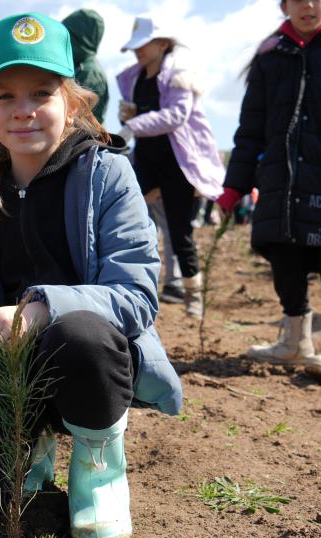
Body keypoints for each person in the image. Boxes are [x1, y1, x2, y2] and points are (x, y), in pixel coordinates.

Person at [0, 13, 181, 538]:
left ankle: (97, 464)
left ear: (72, 102)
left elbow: (135, 298)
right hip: (10, 373)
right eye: (6, 95)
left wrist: (38, 310)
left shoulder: (107, 175)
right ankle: (30, 442)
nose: (24, 110)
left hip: (89, 365)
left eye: (41, 92)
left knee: (78, 333)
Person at [216, 0, 321, 382]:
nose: (307, 5)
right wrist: (234, 187)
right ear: (284, 6)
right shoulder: (270, 59)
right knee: (285, 260)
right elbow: (250, 130)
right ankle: (295, 342)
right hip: (283, 184)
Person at [116, 16, 226, 317]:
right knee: (127, 218)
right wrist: (129, 116)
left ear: (162, 44)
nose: (138, 51)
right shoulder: (132, 78)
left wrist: (134, 124)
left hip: (178, 163)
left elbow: (176, 116)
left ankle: (193, 294)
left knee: (179, 231)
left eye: (144, 44)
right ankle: (131, 287)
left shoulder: (179, 76)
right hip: (147, 161)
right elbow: (138, 118)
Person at [62, 9, 108, 124]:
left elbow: (80, 120)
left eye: (68, 37)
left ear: (80, 40)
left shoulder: (90, 72)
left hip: (84, 139)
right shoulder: (78, 68)